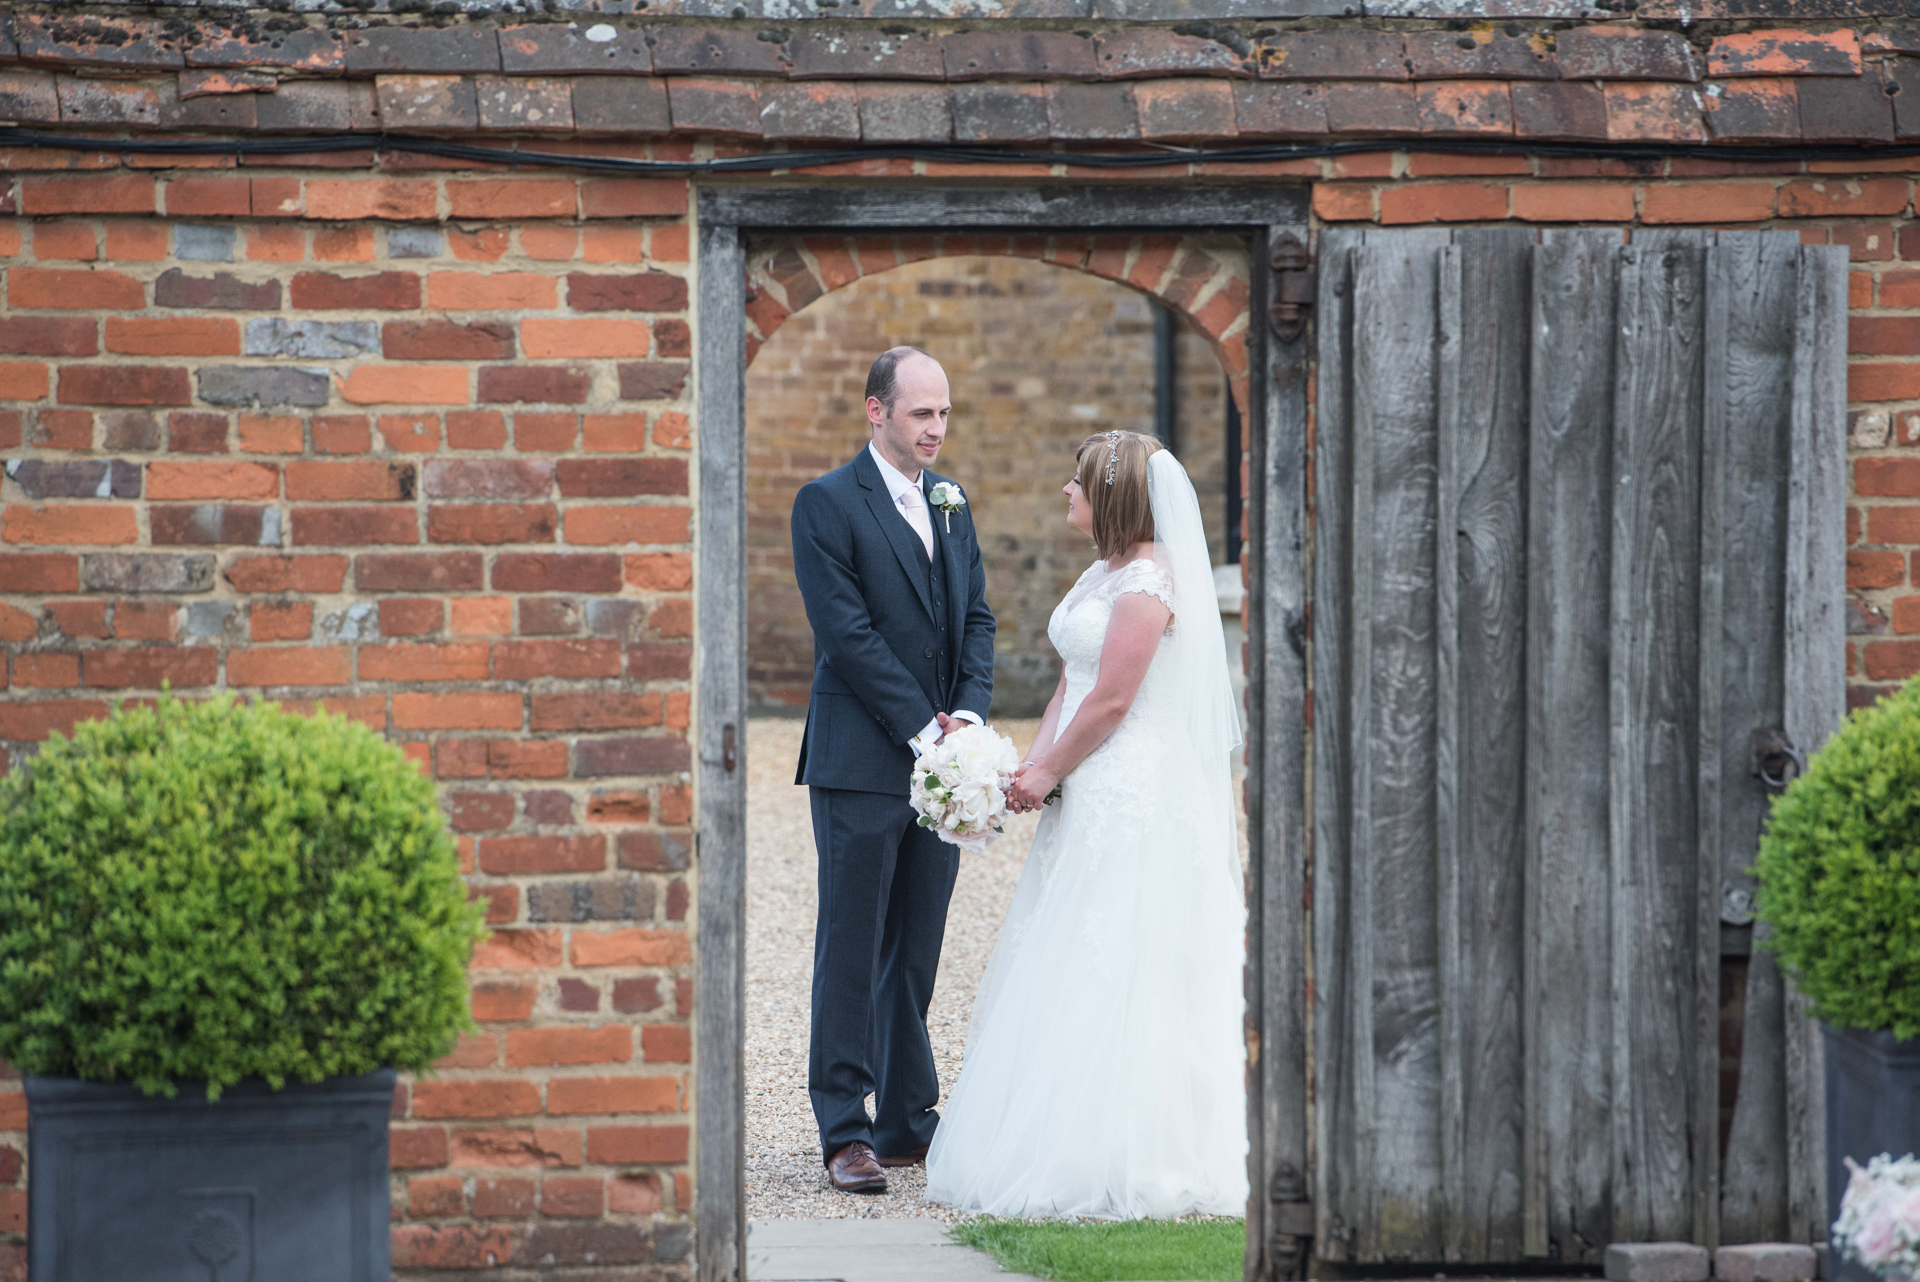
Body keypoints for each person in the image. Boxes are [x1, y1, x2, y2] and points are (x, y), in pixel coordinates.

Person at [925, 429, 1248, 1219]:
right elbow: (1073, 682)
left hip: (1135, 784)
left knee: (1129, 954)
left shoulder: (1148, 583)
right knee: (1069, 943)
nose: (1065, 493)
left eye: (1076, 484)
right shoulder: (1103, 571)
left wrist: (1049, 770)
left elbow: (1112, 700)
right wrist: (1024, 767)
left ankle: (1143, 1151)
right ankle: (1056, 1132)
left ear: (1109, 495)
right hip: (1089, 778)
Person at [788, 346, 997, 1194]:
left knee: (916, 945)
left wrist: (971, 718)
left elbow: (976, 618)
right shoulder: (827, 504)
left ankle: (909, 1120)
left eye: (944, 413)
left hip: (943, 766)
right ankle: (845, 1128)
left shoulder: (952, 504)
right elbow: (848, 634)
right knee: (851, 940)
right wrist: (924, 728)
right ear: (877, 412)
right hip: (861, 758)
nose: (936, 429)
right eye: (921, 413)